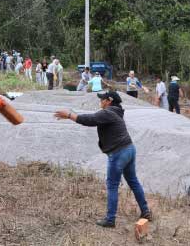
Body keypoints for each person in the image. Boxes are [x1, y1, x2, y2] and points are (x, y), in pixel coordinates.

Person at [54, 91, 152, 227]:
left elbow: (90, 120)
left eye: (102, 99)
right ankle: (145, 211)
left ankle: (110, 219)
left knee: (112, 185)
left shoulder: (108, 112)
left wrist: (69, 115)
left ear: (109, 101)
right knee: (133, 181)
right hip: (129, 149)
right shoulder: (116, 112)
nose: (100, 102)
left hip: (119, 152)